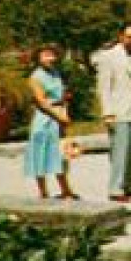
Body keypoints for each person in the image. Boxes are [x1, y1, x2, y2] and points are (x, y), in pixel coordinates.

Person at [97, 23, 131, 203]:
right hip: (118, 110)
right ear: (120, 36)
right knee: (119, 150)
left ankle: (129, 184)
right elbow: (104, 87)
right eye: (129, 37)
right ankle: (115, 188)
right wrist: (107, 112)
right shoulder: (108, 56)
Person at [23, 45, 77, 200]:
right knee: (41, 153)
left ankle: (66, 190)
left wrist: (65, 111)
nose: (50, 58)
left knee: (60, 154)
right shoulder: (35, 77)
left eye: (52, 55)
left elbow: (62, 95)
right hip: (45, 118)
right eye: (46, 55)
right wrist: (59, 116)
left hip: (59, 115)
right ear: (38, 58)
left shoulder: (55, 73)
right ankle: (43, 192)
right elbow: (42, 102)